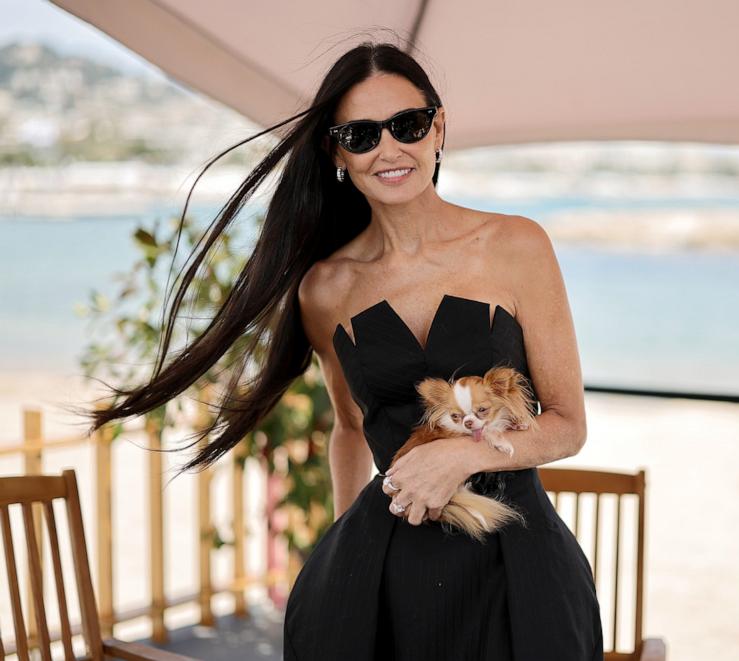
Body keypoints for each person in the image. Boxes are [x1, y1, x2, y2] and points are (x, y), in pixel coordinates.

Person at [84, 38, 603, 660]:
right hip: (391, 566)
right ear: (337, 152)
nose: (389, 148)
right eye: (361, 135)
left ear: (438, 129)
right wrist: (348, 551)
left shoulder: (516, 245)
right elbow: (352, 430)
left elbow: (568, 425)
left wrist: (463, 457)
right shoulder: (324, 290)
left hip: (518, 562)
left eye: (407, 125)